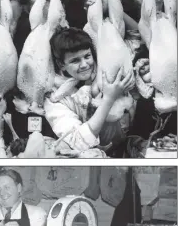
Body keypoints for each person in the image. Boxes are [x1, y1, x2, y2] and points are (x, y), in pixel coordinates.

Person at [44, 28, 150, 157]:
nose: (84, 65)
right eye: (75, 61)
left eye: (87, 56)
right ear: (61, 64)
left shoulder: (107, 71)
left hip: (124, 149)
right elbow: (77, 141)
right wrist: (109, 99)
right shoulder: (53, 98)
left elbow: (138, 34)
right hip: (88, 158)